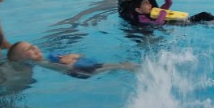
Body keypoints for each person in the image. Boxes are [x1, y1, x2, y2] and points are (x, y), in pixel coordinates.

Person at [7, 41, 137, 77]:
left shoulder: (46, 58)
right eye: (29, 49)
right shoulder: (40, 63)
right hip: (79, 71)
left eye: (32, 45)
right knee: (120, 66)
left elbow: (81, 55)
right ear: (21, 58)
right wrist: (70, 60)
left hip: (83, 66)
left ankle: (132, 67)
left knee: (120, 66)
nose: (34, 48)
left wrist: (73, 56)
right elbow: (63, 67)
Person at [134, 0, 214, 25]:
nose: (150, 5)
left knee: (204, 16)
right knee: (203, 17)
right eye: (146, 3)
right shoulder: (142, 19)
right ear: (139, 10)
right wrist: (162, 13)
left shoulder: (154, 12)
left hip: (183, 20)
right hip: (181, 23)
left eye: (149, 3)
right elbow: (157, 23)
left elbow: (168, 3)